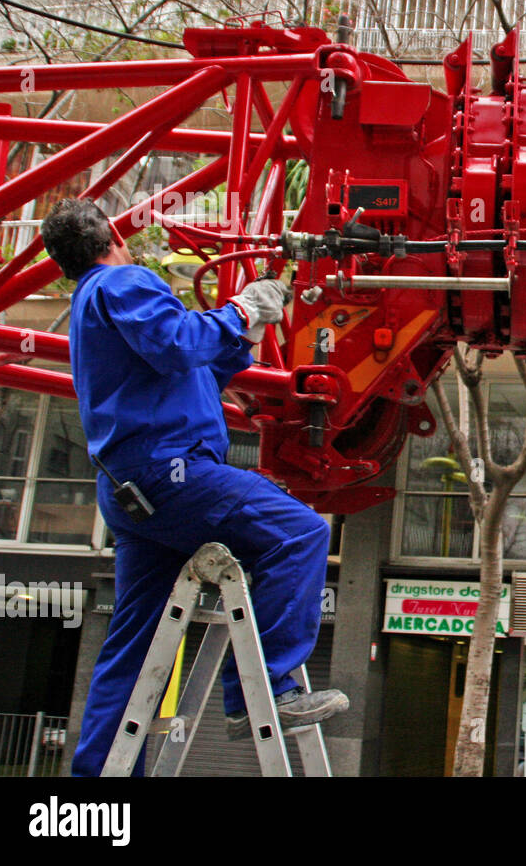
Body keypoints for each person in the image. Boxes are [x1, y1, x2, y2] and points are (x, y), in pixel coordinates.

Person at [39, 199, 347, 776]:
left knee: (132, 648)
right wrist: (236, 311)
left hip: (134, 493)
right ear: (111, 235)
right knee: (300, 533)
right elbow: (178, 343)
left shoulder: (91, 305)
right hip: (172, 474)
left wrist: (243, 330)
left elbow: (189, 368)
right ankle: (264, 692)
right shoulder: (121, 281)